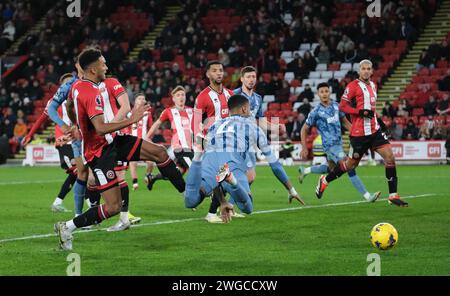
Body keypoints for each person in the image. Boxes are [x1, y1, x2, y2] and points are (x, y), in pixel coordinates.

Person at [54, 48, 186, 250]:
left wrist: (77, 126)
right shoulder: (91, 93)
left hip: (113, 140)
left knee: (159, 152)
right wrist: (131, 119)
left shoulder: (78, 86)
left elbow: (71, 106)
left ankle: (188, 193)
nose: (106, 66)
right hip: (99, 152)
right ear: (92, 70)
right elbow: (99, 128)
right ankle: (67, 226)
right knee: (113, 207)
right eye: (102, 64)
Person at [184, 94, 304, 220]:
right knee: (247, 207)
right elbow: (275, 165)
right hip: (232, 165)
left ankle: (196, 157)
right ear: (244, 109)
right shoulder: (253, 127)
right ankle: (233, 181)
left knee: (191, 201)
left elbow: (214, 164)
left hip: (209, 162)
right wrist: (291, 190)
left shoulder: (214, 125)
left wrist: (222, 201)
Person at [316, 60, 408, 207]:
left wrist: (382, 124)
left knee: (390, 157)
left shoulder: (373, 86)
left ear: (372, 71)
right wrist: (359, 112)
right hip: (359, 134)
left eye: (368, 69)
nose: (366, 71)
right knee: (350, 165)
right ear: (359, 70)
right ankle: (325, 181)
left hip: (374, 131)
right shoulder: (352, 86)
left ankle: (393, 195)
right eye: (363, 69)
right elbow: (342, 106)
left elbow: (371, 109)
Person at [298, 82, 380, 202]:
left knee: (332, 170)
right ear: (318, 94)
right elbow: (304, 129)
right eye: (322, 92)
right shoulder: (316, 112)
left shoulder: (337, 106)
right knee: (349, 166)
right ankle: (367, 196)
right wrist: (304, 147)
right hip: (329, 146)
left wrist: (359, 134)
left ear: (329, 92)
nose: (324, 94)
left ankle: (306, 171)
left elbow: (345, 122)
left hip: (339, 144)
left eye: (326, 91)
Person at [21, 73, 78, 212]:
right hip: (64, 143)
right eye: (66, 83)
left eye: (71, 82)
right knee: (78, 172)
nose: (69, 84)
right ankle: (87, 204)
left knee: (80, 173)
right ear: (61, 86)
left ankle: (59, 203)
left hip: (77, 141)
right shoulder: (54, 101)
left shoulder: (77, 97)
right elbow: (41, 119)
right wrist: (29, 134)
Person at [194, 61, 234, 223]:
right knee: (220, 175)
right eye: (215, 71)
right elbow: (196, 122)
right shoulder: (202, 97)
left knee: (229, 176)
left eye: (221, 70)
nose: (219, 73)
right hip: (211, 142)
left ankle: (207, 197)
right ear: (208, 75)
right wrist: (200, 144)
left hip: (230, 142)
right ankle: (212, 212)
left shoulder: (231, 94)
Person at [146, 86, 194, 190]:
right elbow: (157, 123)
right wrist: (147, 137)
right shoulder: (169, 111)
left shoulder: (192, 111)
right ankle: (195, 195)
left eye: (182, 95)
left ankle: (153, 178)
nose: (181, 97)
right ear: (173, 98)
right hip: (179, 147)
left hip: (191, 147)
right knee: (194, 169)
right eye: (178, 95)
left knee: (177, 173)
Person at [129, 93, 155, 191]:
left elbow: (151, 126)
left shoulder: (148, 113)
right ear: (135, 101)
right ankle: (135, 182)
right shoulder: (129, 113)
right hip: (132, 141)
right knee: (133, 162)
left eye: (143, 99)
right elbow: (125, 127)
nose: (142, 100)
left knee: (151, 162)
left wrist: (149, 137)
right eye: (139, 98)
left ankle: (147, 175)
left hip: (144, 142)